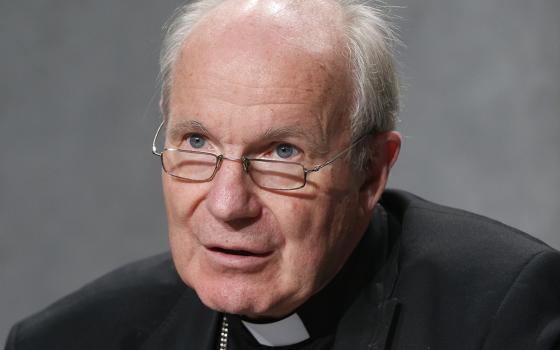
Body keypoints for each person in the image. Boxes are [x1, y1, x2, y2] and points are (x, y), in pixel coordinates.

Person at [5, 0, 560, 349]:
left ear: (370, 173)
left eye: (281, 153)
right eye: (197, 143)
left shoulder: (504, 317)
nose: (228, 204)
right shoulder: (69, 338)